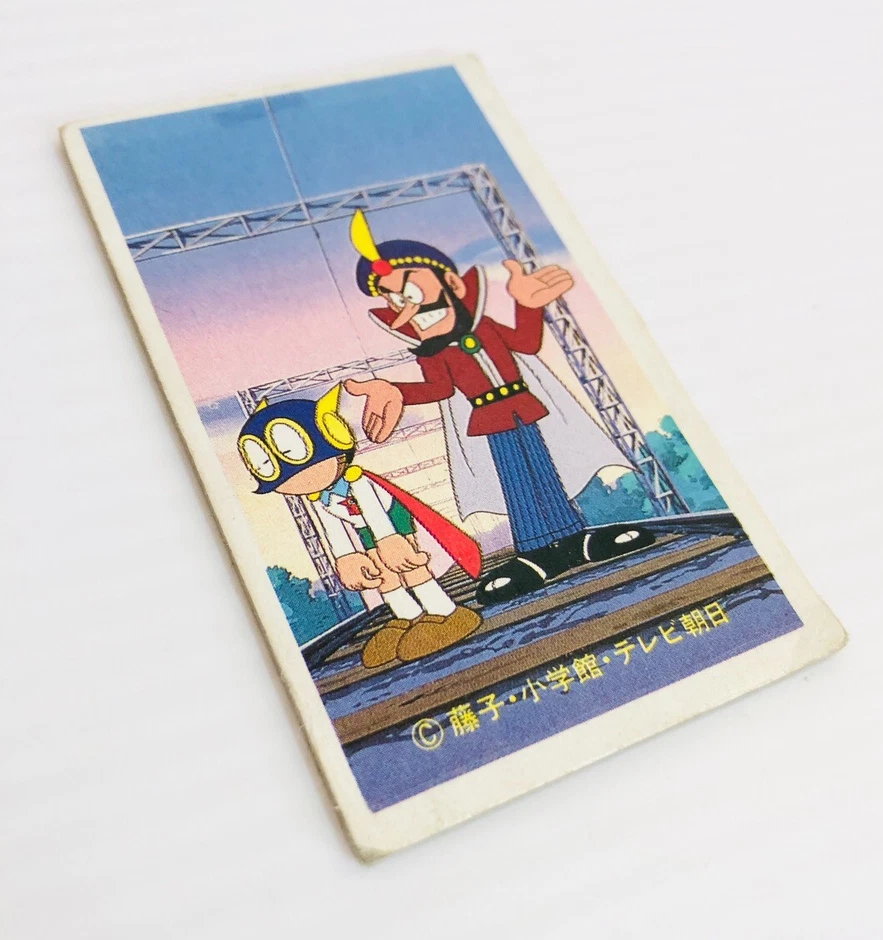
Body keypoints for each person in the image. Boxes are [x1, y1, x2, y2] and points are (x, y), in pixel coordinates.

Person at [344, 209, 653, 605]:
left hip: (524, 408)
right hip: (490, 419)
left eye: (412, 291)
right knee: (516, 481)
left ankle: (574, 537)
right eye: (396, 300)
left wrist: (527, 305)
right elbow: (439, 388)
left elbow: (526, 343)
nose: (407, 306)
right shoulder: (432, 352)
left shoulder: (486, 326)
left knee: (544, 472)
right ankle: (535, 551)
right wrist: (395, 391)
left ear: (452, 282)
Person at [236, 384, 482, 668]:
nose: (293, 480)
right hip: (364, 528)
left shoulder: (357, 481)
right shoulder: (320, 498)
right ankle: (408, 616)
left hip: (391, 519)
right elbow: (334, 529)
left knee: (407, 565)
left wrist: (390, 539)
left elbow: (376, 511)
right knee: (380, 573)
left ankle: (445, 611)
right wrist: (347, 558)